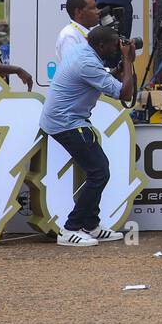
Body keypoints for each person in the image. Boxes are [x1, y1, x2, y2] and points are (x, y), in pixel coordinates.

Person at [39, 25, 137, 246]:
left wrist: (119, 67)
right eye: (114, 46)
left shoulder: (83, 51)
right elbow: (125, 93)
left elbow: (104, 78)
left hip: (66, 118)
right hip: (65, 122)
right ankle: (70, 229)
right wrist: (128, 62)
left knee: (97, 170)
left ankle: (91, 224)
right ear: (101, 46)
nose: (116, 49)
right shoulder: (87, 62)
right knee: (99, 171)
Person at [56, 0, 100, 65]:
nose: (98, 11)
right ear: (79, 12)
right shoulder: (69, 36)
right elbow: (74, 67)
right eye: (92, 8)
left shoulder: (87, 32)